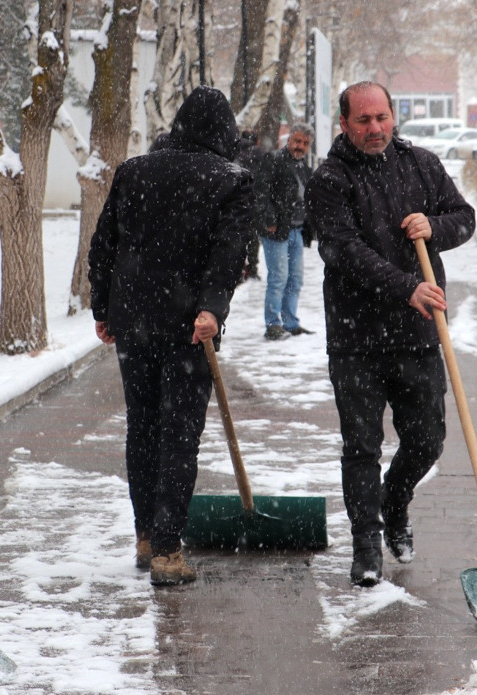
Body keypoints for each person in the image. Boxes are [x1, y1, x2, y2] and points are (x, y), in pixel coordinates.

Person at [305, 82, 475, 586]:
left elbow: (463, 218)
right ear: (344, 125)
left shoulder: (422, 164)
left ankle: (393, 502)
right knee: (361, 445)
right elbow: (342, 251)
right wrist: (407, 287)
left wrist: (435, 228)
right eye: (363, 121)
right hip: (356, 339)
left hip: (419, 333)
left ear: (393, 116)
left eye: (381, 117)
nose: (375, 128)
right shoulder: (330, 180)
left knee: (427, 440)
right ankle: (366, 545)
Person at [89, 86, 252, 586]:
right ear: (223, 131)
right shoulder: (231, 179)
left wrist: (103, 309)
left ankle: (145, 534)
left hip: (134, 320)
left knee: (143, 426)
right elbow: (229, 254)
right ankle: (166, 550)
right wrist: (212, 309)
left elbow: (103, 245)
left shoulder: (134, 170)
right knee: (179, 433)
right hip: (188, 326)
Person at [257, 123, 315, 340]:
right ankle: (273, 324)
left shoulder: (304, 167)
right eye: (297, 141)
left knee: (295, 279)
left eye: (305, 143)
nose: (300, 146)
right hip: (276, 230)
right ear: (289, 139)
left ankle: (290, 322)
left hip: (296, 231)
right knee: (278, 278)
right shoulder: (274, 160)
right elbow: (261, 192)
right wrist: (269, 219)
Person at [234, 128, 268, 281]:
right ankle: (252, 268)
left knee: (236, 234)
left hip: (236, 200)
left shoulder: (235, 152)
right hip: (255, 200)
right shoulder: (261, 153)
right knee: (253, 236)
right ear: (257, 141)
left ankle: (239, 268)